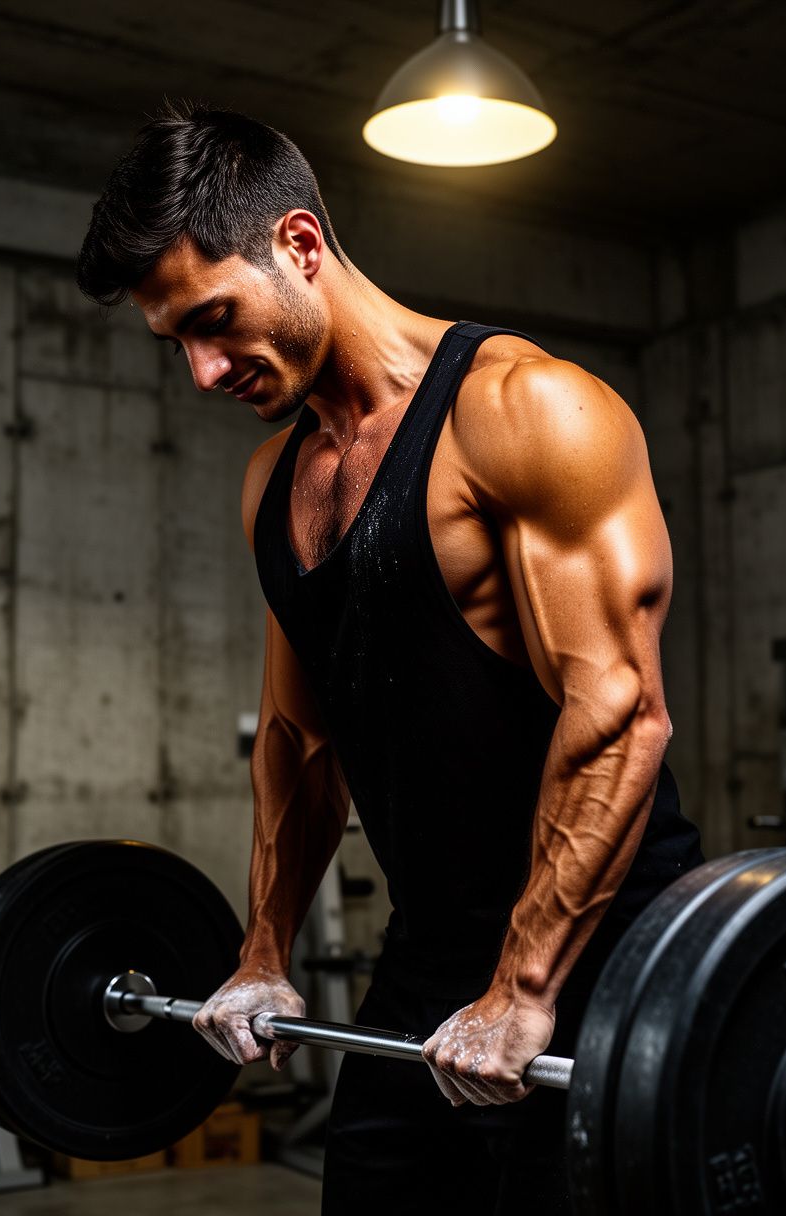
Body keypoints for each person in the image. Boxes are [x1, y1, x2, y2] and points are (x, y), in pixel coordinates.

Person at [77, 101, 704, 1213]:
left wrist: (523, 989)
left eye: (215, 319)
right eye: (178, 341)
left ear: (300, 245)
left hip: (606, 950)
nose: (205, 371)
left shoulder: (525, 412)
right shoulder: (277, 480)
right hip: (428, 955)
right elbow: (297, 736)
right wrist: (264, 947)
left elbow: (617, 710)